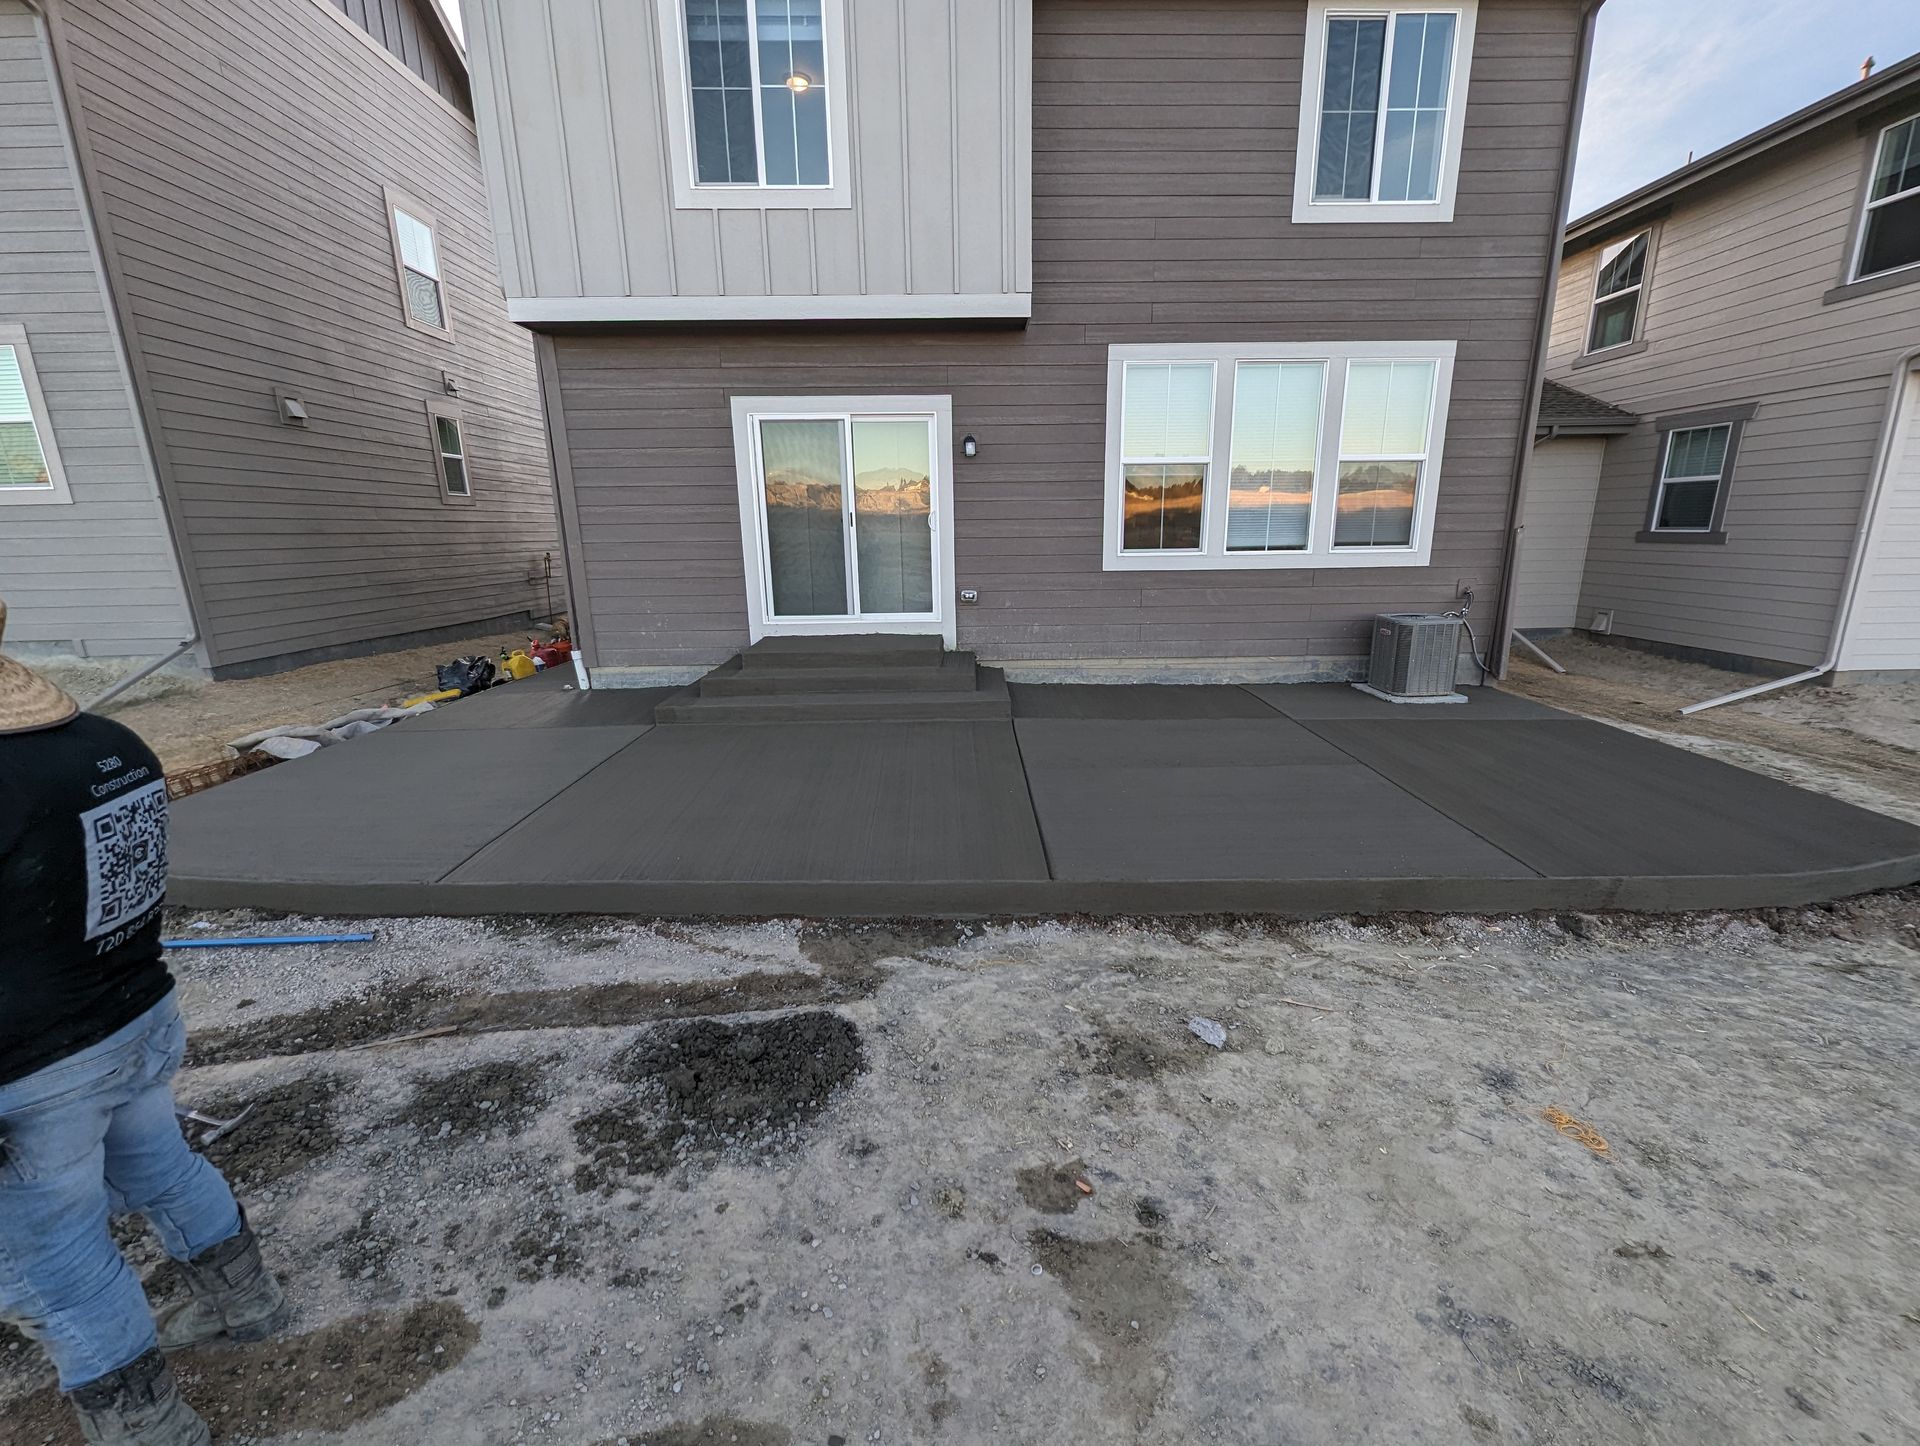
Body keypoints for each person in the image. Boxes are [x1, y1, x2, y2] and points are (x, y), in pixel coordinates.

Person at [0, 602, 287, 1445]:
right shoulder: (114, 746)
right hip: (137, 1014)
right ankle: (252, 1305)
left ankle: (151, 1429)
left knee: (57, 1266)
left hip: (32, 1072)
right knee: (164, 1167)